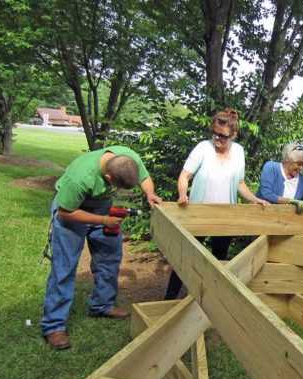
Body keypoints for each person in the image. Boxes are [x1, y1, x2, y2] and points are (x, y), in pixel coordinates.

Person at [42, 145, 162, 350]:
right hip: (73, 212)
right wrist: (103, 220)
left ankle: (102, 306)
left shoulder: (128, 158)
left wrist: (149, 193)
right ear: (108, 176)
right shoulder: (80, 178)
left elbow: (144, 178)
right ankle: (53, 326)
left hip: (101, 208)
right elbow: (65, 212)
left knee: (109, 258)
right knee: (64, 268)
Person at [165, 108, 268, 300]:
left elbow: (240, 183)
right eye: (215, 134)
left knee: (219, 260)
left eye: (223, 136)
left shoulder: (239, 152)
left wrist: (254, 199)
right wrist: (182, 194)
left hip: (225, 216)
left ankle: (212, 303)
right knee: (185, 258)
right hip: (198, 213)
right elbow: (184, 176)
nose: (217, 139)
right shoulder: (203, 148)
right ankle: (169, 300)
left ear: (234, 135)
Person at [256, 142, 303, 213]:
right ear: (287, 160)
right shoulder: (271, 167)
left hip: (287, 220)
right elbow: (266, 193)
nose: (301, 168)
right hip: (262, 214)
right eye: (298, 164)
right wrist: (290, 201)